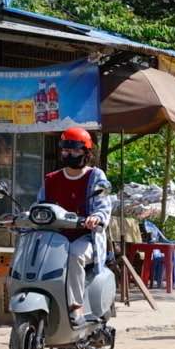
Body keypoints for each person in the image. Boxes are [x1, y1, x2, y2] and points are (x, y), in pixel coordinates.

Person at [36, 127, 112, 328]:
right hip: (54, 238)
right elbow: (39, 206)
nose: (69, 154)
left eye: (76, 150)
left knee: (75, 255)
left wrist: (96, 217)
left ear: (87, 153)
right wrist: (21, 219)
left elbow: (104, 205)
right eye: (66, 150)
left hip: (85, 238)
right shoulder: (51, 179)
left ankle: (76, 306)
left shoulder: (96, 176)